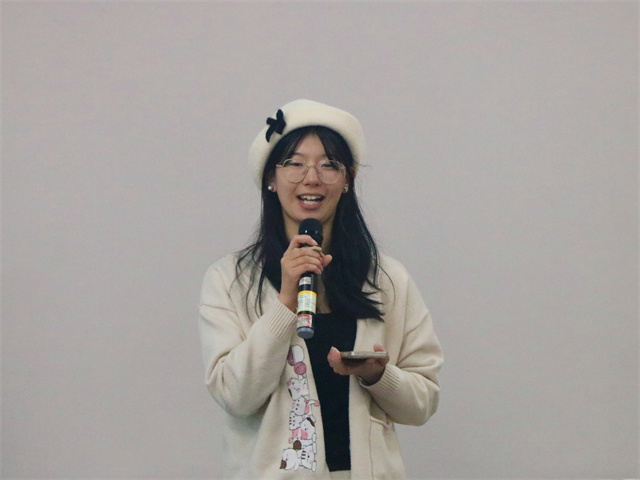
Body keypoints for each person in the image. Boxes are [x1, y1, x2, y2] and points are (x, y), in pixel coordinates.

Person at [199, 99, 443, 479]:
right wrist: (285, 302)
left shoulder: (387, 279)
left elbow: (423, 403)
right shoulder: (229, 280)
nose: (311, 178)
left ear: (348, 179)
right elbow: (235, 396)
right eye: (294, 163)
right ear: (270, 178)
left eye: (328, 165)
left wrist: (379, 376)